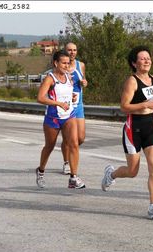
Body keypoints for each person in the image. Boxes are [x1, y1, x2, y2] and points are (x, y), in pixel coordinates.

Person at [101, 46, 153, 221]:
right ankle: (111, 174)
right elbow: (124, 107)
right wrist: (145, 105)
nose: (147, 60)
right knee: (133, 171)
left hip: (150, 127)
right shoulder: (131, 82)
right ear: (134, 63)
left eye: (148, 58)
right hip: (134, 128)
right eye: (142, 58)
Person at [35, 50, 84, 189]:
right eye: (63, 63)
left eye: (68, 63)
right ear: (56, 63)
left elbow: (68, 93)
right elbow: (40, 98)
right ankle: (41, 171)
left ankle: (73, 178)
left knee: (74, 143)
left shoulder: (70, 77)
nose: (66, 66)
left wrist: (71, 98)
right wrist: (58, 103)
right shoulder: (50, 78)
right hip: (53, 117)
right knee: (50, 146)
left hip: (69, 115)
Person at [61, 42, 89, 176]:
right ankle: (67, 162)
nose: (72, 52)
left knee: (81, 137)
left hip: (78, 105)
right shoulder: (61, 65)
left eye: (74, 50)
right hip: (65, 106)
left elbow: (84, 80)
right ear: (65, 51)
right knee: (69, 138)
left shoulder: (80, 65)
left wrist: (84, 82)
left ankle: (69, 148)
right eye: (69, 50)